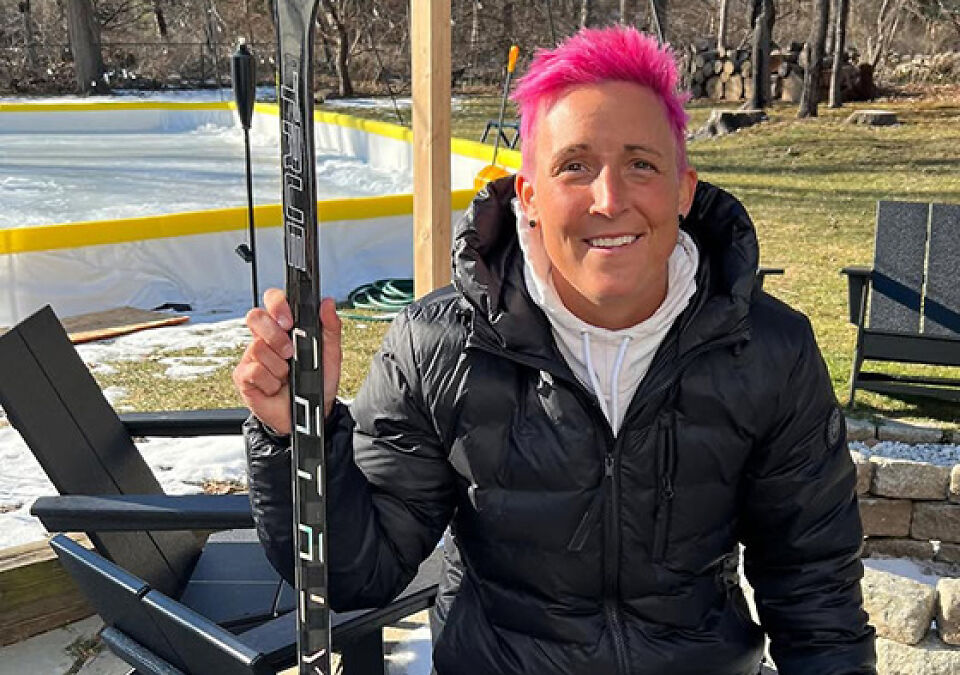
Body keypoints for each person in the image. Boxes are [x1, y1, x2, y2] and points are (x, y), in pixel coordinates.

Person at [235, 26, 875, 675]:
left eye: (641, 164)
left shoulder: (769, 349)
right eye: (575, 166)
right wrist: (296, 439)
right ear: (530, 195)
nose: (609, 199)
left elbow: (814, 589)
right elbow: (357, 570)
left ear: (684, 187)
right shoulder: (438, 346)